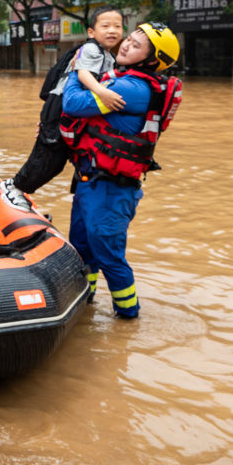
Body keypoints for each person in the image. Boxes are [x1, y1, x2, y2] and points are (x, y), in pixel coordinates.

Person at [60, 22, 182, 319]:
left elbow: (73, 103)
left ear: (152, 61)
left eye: (137, 45)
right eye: (130, 38)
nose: (126, 44)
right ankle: (86, 305)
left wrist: (79, 70)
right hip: (92, 181)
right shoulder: (123, 78)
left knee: (109, 256)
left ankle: (128, 318)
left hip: (112, 189)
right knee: (83, 250)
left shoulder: (133, 88)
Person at [7, 6, 125, 197]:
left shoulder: (109, 56)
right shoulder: (91, 48)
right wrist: (101, 92)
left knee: (57, 160)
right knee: (48, 155)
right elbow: (83, 73)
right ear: (91, 32)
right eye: (106, 26)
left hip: (70, 108)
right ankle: (16, 189)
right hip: (59, 103)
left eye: (117, 26)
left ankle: (18, 188)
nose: (112, 30)